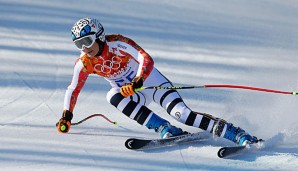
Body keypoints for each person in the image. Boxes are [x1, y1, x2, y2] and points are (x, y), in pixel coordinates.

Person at [56, 17, 259, 146]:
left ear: (99, 37)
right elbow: (73, 89)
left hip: (154, 85)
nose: (84, 48)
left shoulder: (118, 43)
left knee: (183, 114)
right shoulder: (84, 63)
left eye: (87, 41)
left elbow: (146, 58)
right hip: (132, 94)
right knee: (112, 95)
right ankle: (164, 128)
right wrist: (67, 115)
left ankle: (235, 133)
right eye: (78, 44)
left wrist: (138, 80)